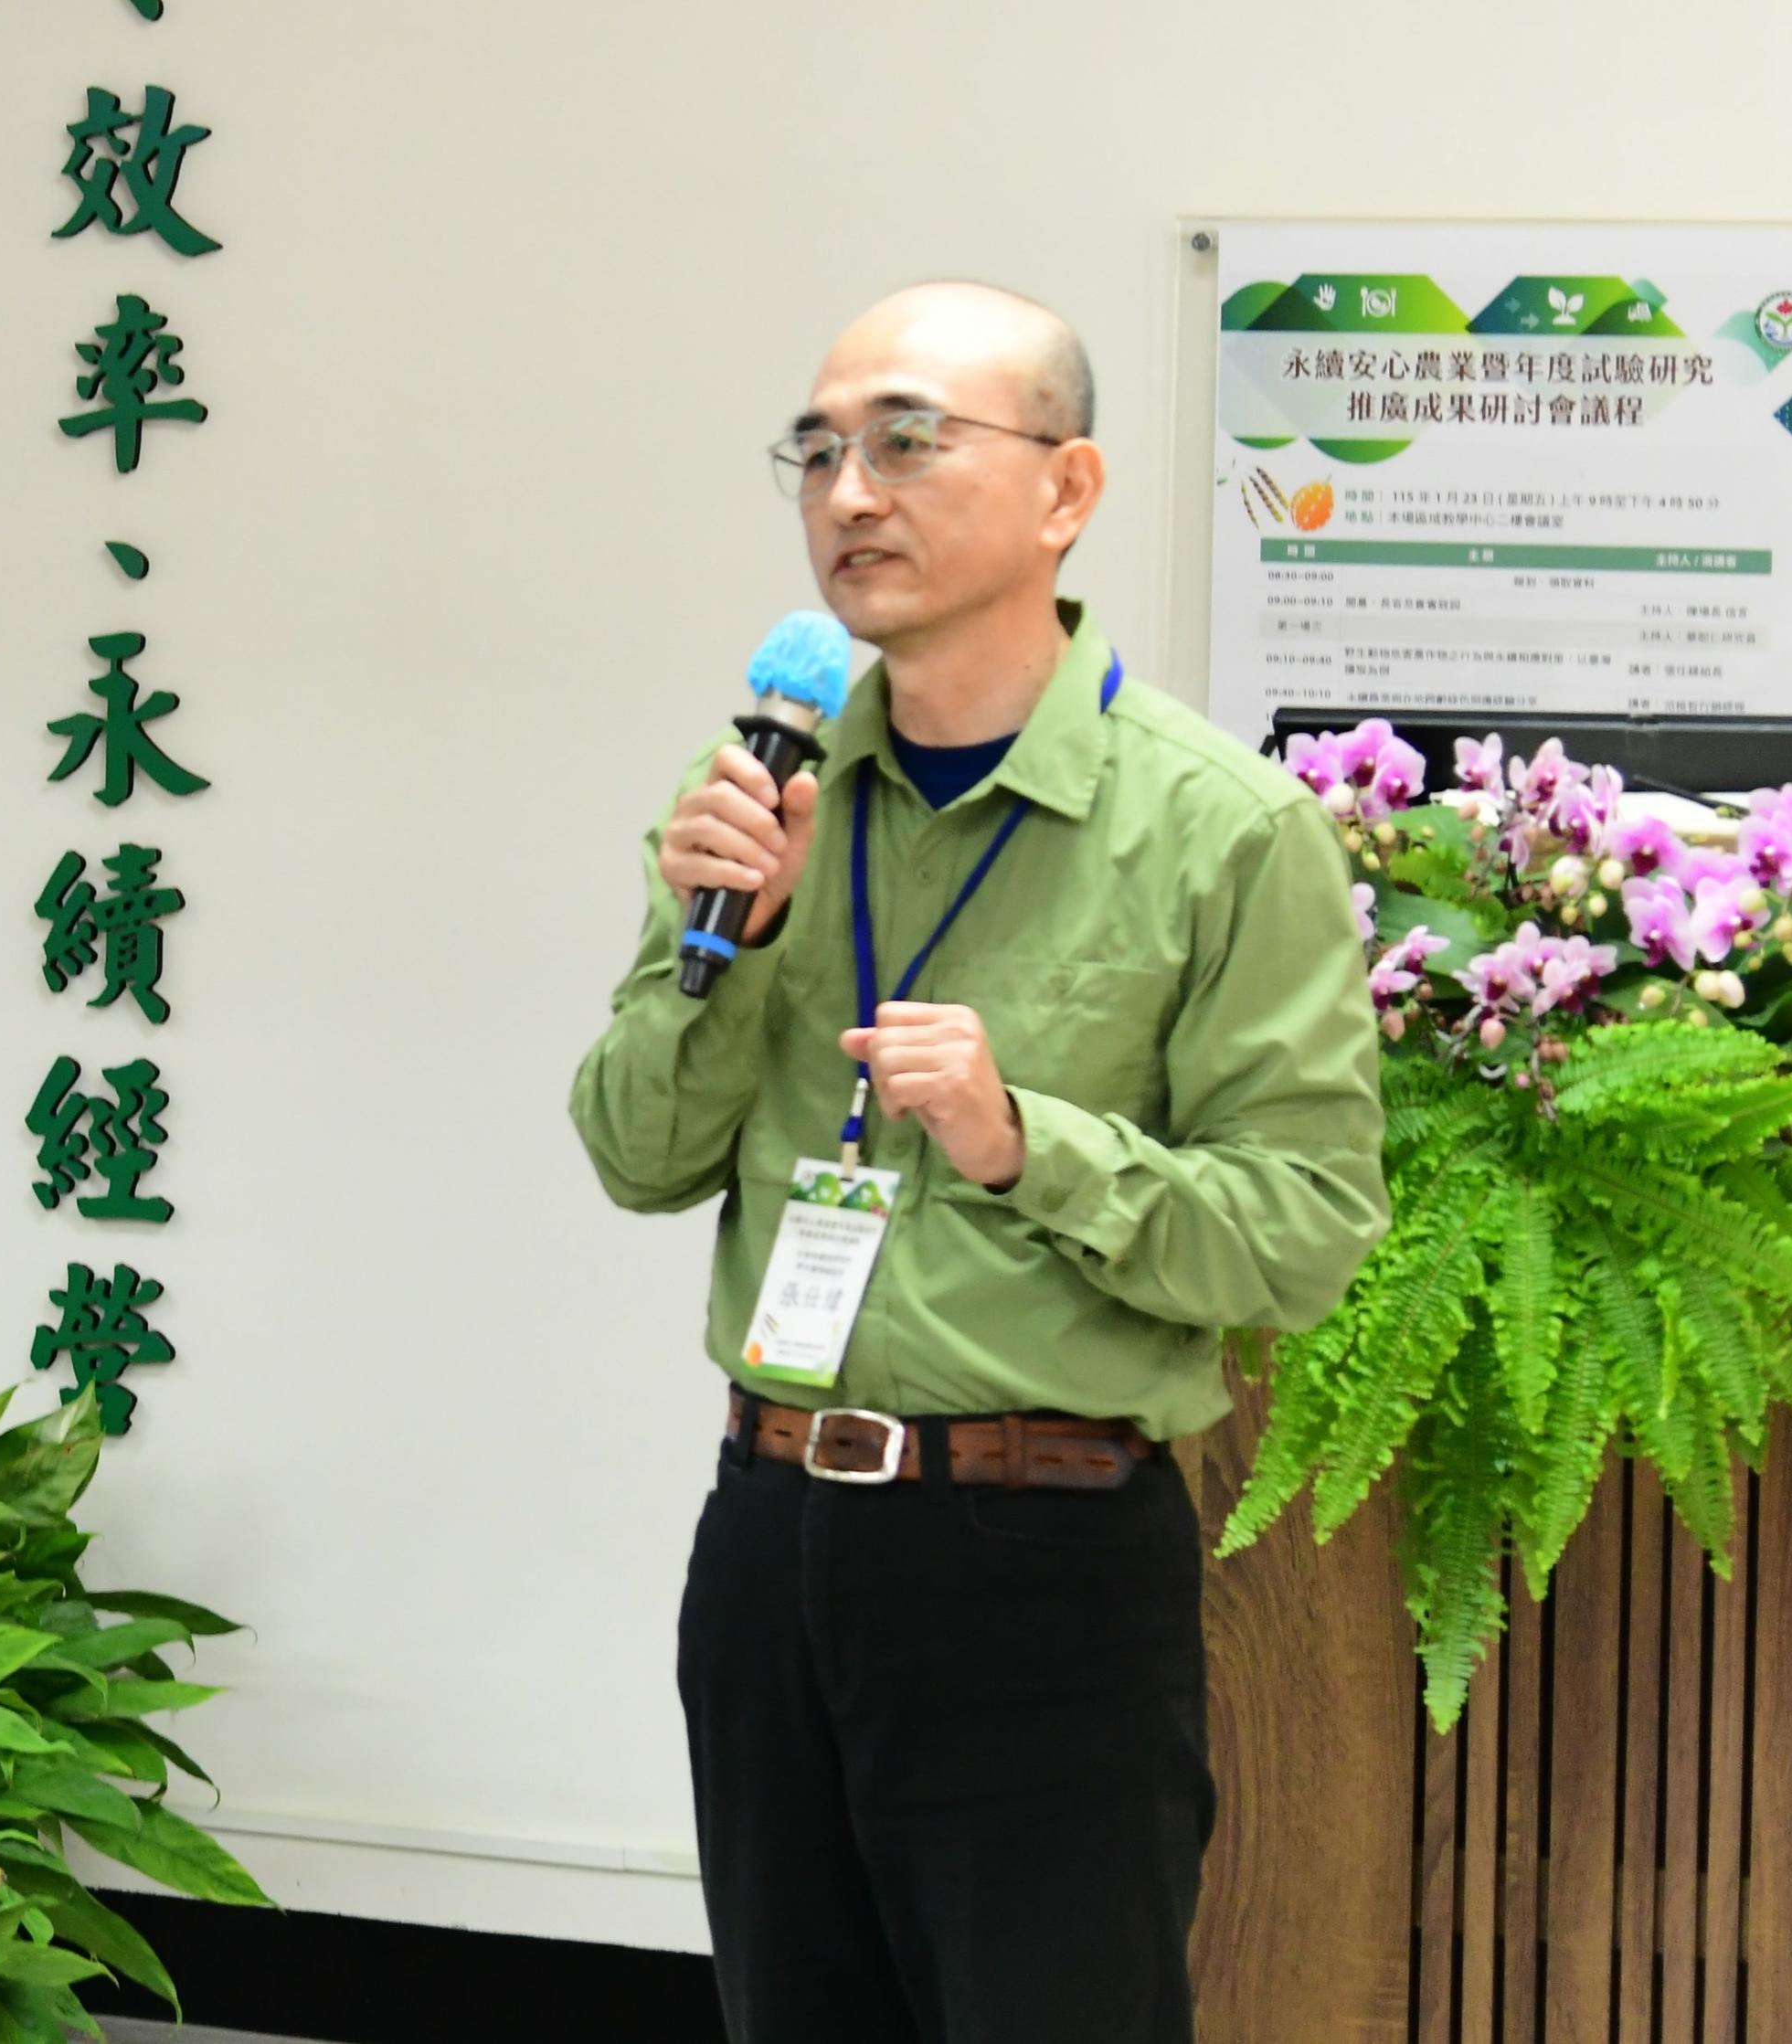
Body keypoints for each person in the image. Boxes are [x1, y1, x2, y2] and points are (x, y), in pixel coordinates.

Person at [567, 281, 1389, 2043]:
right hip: (773, 1534)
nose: (851, 489)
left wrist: (1034, 1146)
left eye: (909, 439)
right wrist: (736, 948)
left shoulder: (1222, 830)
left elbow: (1308, 1234)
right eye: (819, 448)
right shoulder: (758, 803)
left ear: (1066, 488)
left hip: (1041, 1555)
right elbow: (637, 1155)